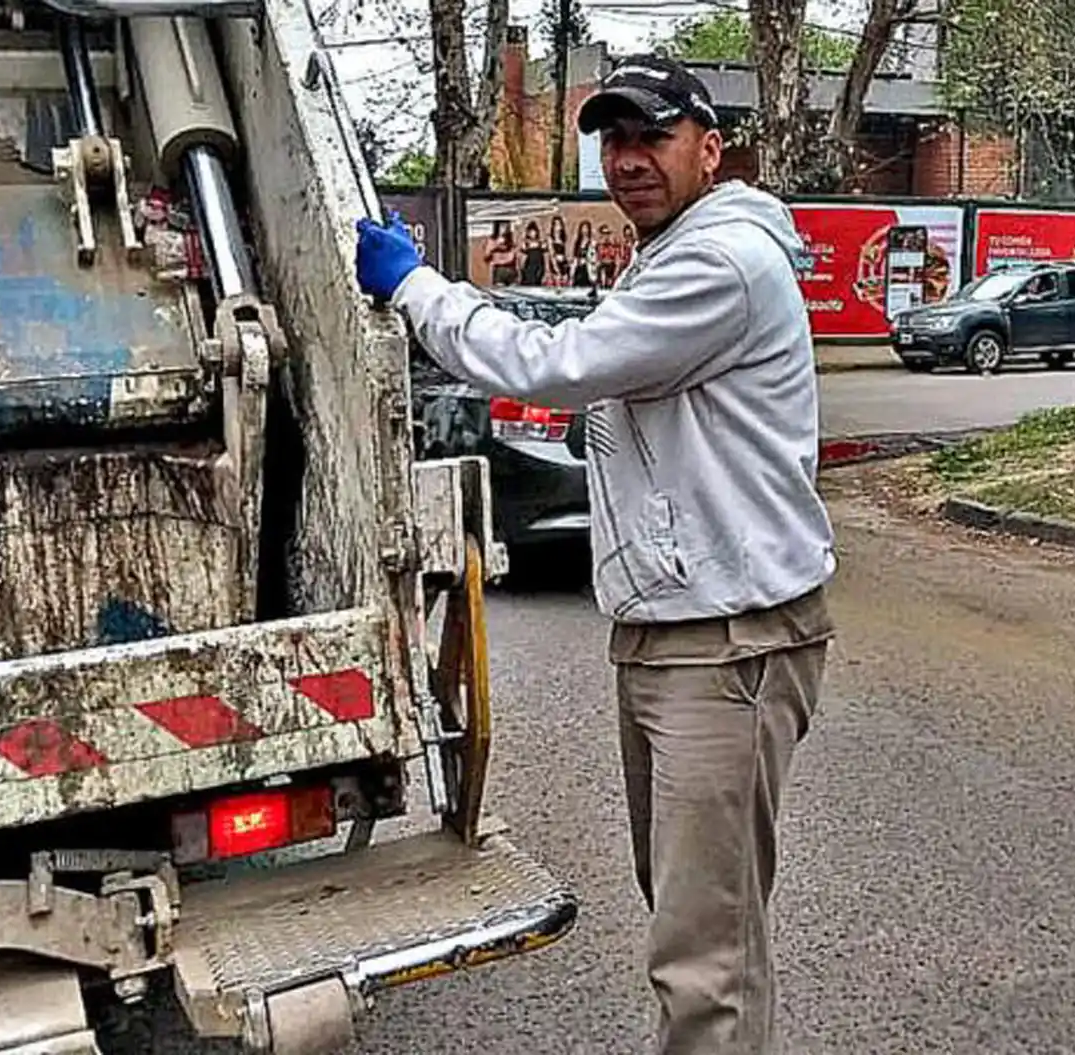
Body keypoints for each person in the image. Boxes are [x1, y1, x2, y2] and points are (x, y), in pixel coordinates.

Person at [355, 52, 836, 1055]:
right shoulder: (675, 253)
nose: (628, 159)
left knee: (707, 955)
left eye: (652, 136)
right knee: (693, 916)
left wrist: (417, 289)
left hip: (726, 643)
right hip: (683, 630)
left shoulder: (720, 262)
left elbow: (554, 365)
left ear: (711, 148)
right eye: (612, 140)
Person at [519, 219, 547, 286]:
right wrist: (521, 269)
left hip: (539, 266)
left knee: (537, 282)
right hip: (529, 266)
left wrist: (545, 269)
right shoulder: (525, 243)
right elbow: (522, 257)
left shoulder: (541, 243)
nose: (532, 233)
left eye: (533, 231)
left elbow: (545, 255)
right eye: (530, 232)